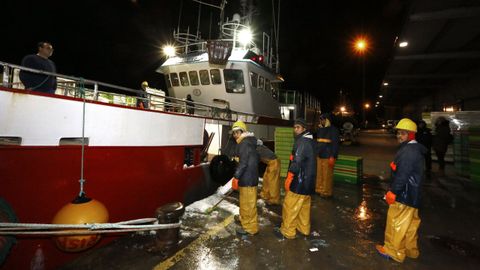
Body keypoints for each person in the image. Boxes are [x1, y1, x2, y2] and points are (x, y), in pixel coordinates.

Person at [376, 118, 427, 263]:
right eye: (398, 133)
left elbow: (402, 175)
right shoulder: (414, 149)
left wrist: (393, 192)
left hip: (404, 195)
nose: (399, 136)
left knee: (396, 223)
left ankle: (393, 251)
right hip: (413, 195)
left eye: (403, 134)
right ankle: (411, 250)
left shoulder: (409, 151)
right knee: (410, 225)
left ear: (411, 135)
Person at [274, 118, 316, 240]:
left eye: (298, 127)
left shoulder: (302, 142)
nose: (295, 129)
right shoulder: (311, 141)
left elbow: (297, 162)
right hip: (309, 182)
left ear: (304, 129)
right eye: (294, 127)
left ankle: (287, 231)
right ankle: (304, 229)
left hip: (300, 181)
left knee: (290, 206)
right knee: (304, 207)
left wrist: (290, 176)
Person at [230, 121, 260, 236]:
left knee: (248, 205)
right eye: (233, 133)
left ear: (241, 132)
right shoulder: (248, 142)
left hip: (248, 179)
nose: (234, 136)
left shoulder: (244, 144)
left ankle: (250, 228)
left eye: (236, 133)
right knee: (244, 202)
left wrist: (236, 177)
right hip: (248, 177)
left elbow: (243, 163)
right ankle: (244, 219)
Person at [315, 113, 340, 198]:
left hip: (328, 156)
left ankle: (326, 192)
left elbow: (335, 144)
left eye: (323, 119)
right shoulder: (319, 129)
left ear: (327, 120)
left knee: (327, 176)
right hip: (319, 155)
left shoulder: (333, 130)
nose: (321, 121)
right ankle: (319, 189)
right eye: (320, 119)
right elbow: (318, 142)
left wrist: (332, 156)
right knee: (319, 174)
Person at [257, 139, 281, 205]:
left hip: (274, 162)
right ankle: (265, 195)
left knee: (273, 181)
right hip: (269, 163)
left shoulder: (257, 148)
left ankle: (274, 199)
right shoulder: (258, 147)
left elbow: (255, 159)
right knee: (266, 179)